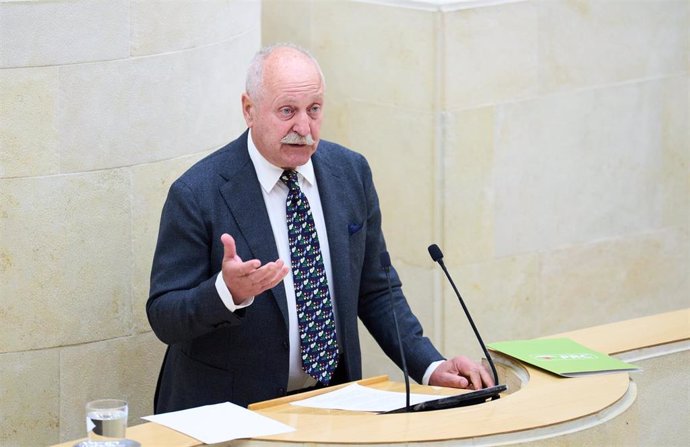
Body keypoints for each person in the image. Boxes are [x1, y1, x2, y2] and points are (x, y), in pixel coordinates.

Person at [147, 43, 494, 414]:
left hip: (331, 404)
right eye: (287, 111)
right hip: (232, 412)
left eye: (314, 110)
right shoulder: (198, 193)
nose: (303, 127)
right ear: (249, 110)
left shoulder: (350, 172)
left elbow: (376, 290)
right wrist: (226, 292)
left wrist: (431, 366)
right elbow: (164, 316)